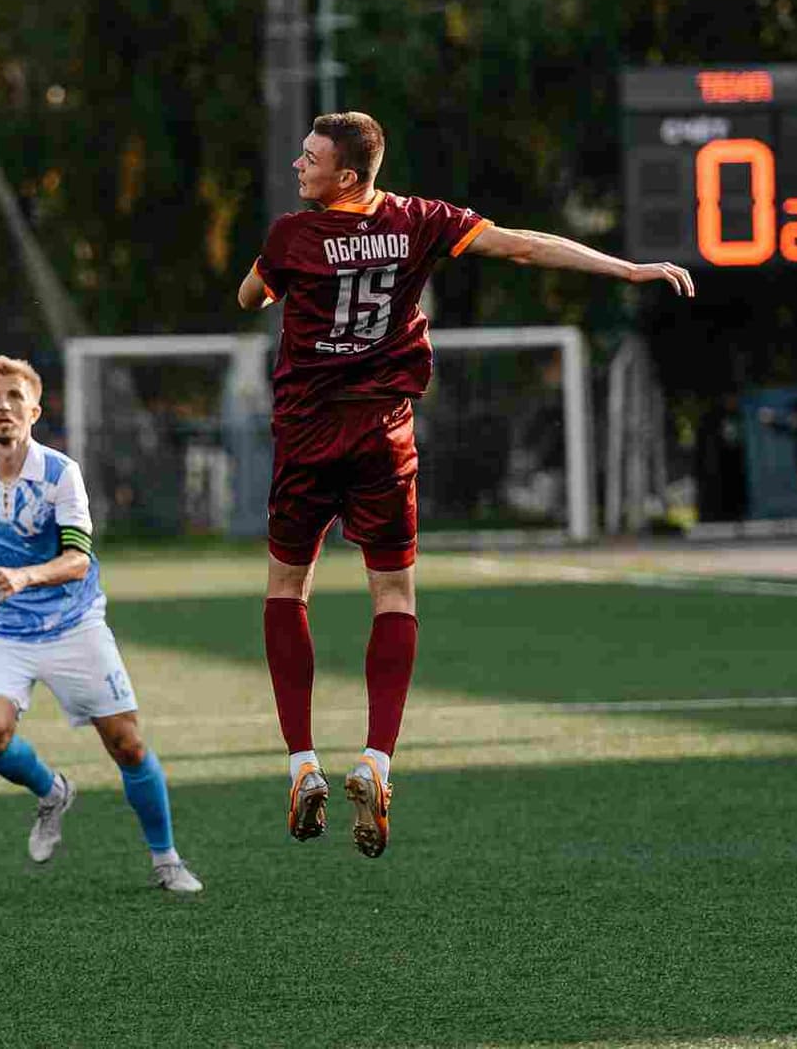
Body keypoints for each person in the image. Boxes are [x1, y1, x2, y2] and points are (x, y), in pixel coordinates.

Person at [237, 110, 695, 857]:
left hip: (307, 435)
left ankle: (301, 762)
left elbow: (250, 298)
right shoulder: (421, 220)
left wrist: (279, 285)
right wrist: (626, 268)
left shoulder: (292, 235)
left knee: (288, 590)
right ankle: (378, 760)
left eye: (309, 157)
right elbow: (523, 246)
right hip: (384, 436)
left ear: (345, 177)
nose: (297, 164)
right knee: (394, 596)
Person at [0, 357, 202, 893]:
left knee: (127, 744)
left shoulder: (61, 473)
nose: (4, 405)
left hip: (73, 623)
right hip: (4, 630)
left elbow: (79, 559)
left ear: (34, 410)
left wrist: (25, 576)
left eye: (15, 396)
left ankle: (167, 859)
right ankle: (51, 791)